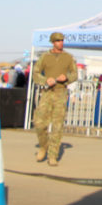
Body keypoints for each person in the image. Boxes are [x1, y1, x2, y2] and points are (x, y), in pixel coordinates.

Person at [32, 32, 76, 167]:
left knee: (57, 126)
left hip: (61, 92)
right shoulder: (45, 57)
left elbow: (74, 74)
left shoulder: (68, 57)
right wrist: (45, 80)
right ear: (52, 42)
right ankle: (44, 146)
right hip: (47, 92)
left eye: (62, 40)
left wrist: (67, 78)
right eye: (57, 41)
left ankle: (53, 155)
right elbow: (35, 73)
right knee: (39, 123)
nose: (60, 43)